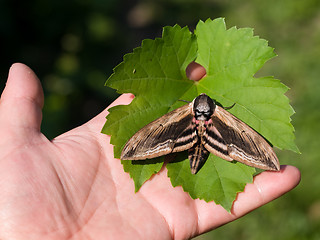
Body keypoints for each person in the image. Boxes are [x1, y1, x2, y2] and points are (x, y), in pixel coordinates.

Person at [0, 63, 300, 239]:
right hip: (220, 137)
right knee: (254, 147)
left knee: (149, 137)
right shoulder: (222, 115)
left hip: (181, 134)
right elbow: (245, 136)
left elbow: (154, 131)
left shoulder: (181, 112)